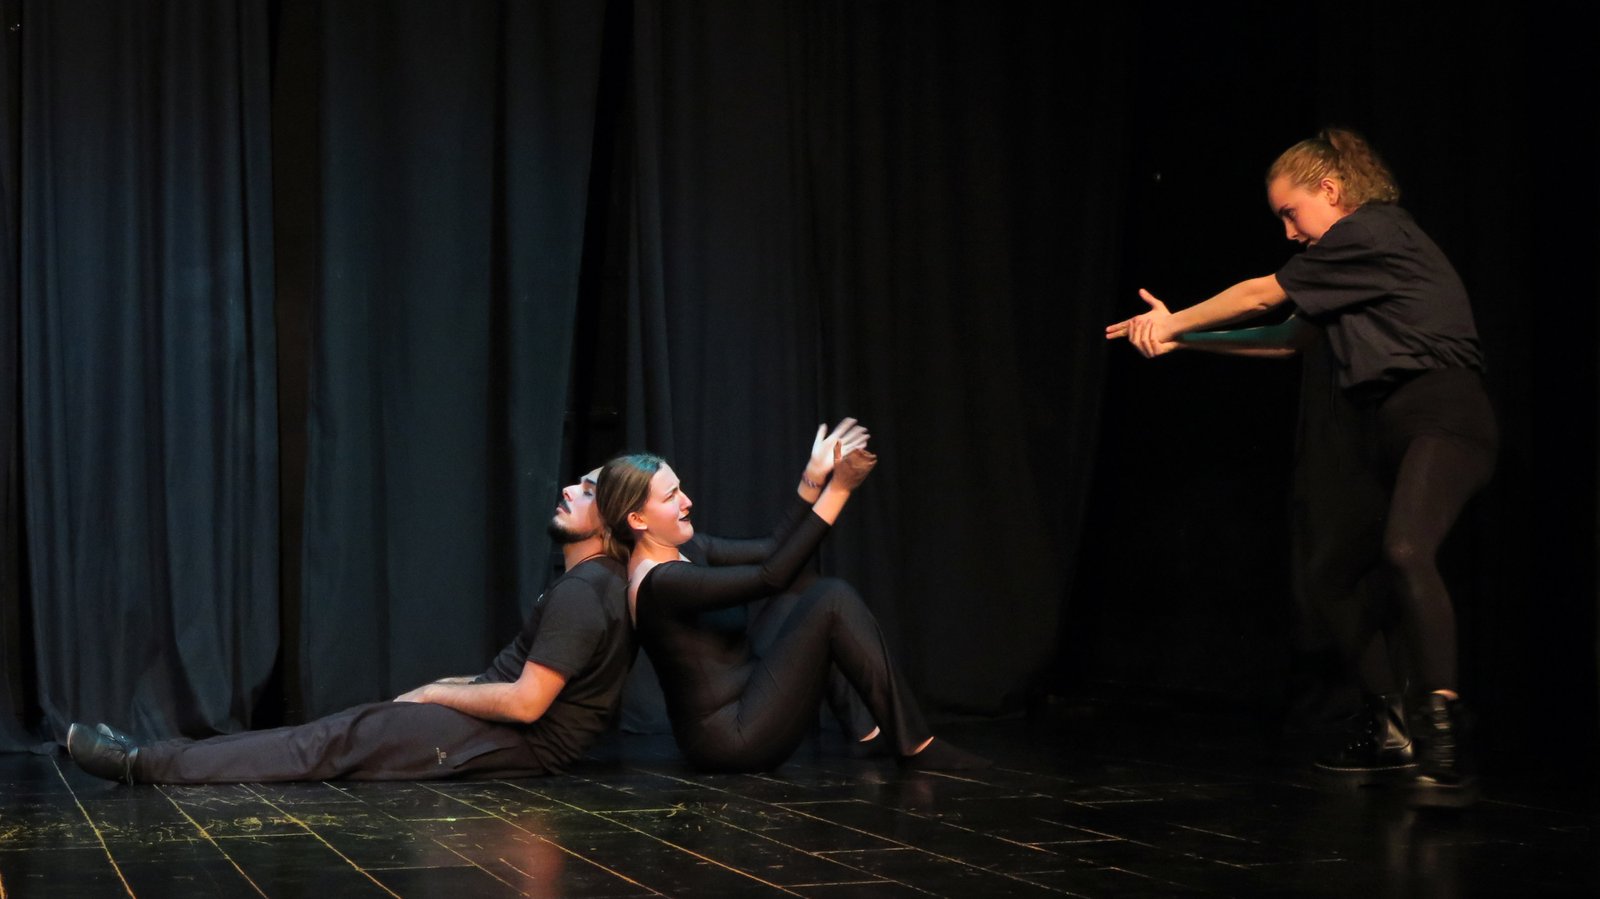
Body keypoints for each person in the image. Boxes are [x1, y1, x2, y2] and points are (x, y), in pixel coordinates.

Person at [1105, 129, 1496, 808]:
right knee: (1332, 576)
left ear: (1332, 190)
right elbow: (1287, 339)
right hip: (1389, 433)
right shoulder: (1343, 266)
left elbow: (1262, 295)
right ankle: (1393, 732)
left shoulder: (1374, 230)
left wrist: (1173, 323)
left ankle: (1446, 742)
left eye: (1291, 212)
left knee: (1406, 550)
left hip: (1446, 417)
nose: (1289, 232)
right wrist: (1187, 339)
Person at [66, 468, 634, 784]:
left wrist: (435, 694)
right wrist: (453, 687)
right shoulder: (592, 583)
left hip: (506, 741)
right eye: (579, 482)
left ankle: (141, 763)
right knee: (327, 735)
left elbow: (527, 705)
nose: (568, 489)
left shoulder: (584, 592)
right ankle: (155, 753)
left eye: (589, 492)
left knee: (321, 744)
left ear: (613, 518)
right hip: (491, 732)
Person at [595, 420, 987, 773]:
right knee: (831, 599)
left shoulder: (687, 548)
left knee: (804, 589)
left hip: (746, 696)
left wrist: (813, 477)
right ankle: (915, 745)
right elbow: (770, 576)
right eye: (671, 497)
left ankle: (866, 731)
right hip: (730, 739)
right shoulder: (660, 581)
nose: (686, 501)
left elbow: (772, 549)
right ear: (637, 519)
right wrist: (839, 490)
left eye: (680, 489)